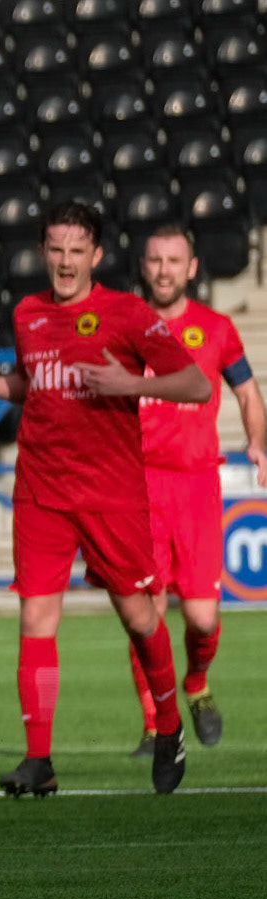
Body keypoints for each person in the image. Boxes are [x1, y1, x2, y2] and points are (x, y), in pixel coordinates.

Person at [0, 203, 211, 799]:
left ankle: (169, 726)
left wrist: (133, 384)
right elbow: (33, 385)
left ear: (96, 255)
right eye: (55, 248)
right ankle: (38, 759)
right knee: (36, 618)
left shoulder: (126, 313)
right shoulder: (28, 314)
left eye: (77, 250)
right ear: (43, 251)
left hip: (111, 493)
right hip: (42, 491)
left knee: (138, 616)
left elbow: (197, 384)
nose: (65, 261)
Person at [125, 226, 266, 756]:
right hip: (137, 490)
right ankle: (156, 723)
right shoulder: (124, 326)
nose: (164, 269)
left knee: (203, 618)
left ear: (192, 267)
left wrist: (257, 443)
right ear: (144, 266)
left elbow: (249, 393)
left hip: (196, 487)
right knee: (147, 613)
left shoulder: (216, 329)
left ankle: (196, 685)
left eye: (174, 260)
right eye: (155, 259)